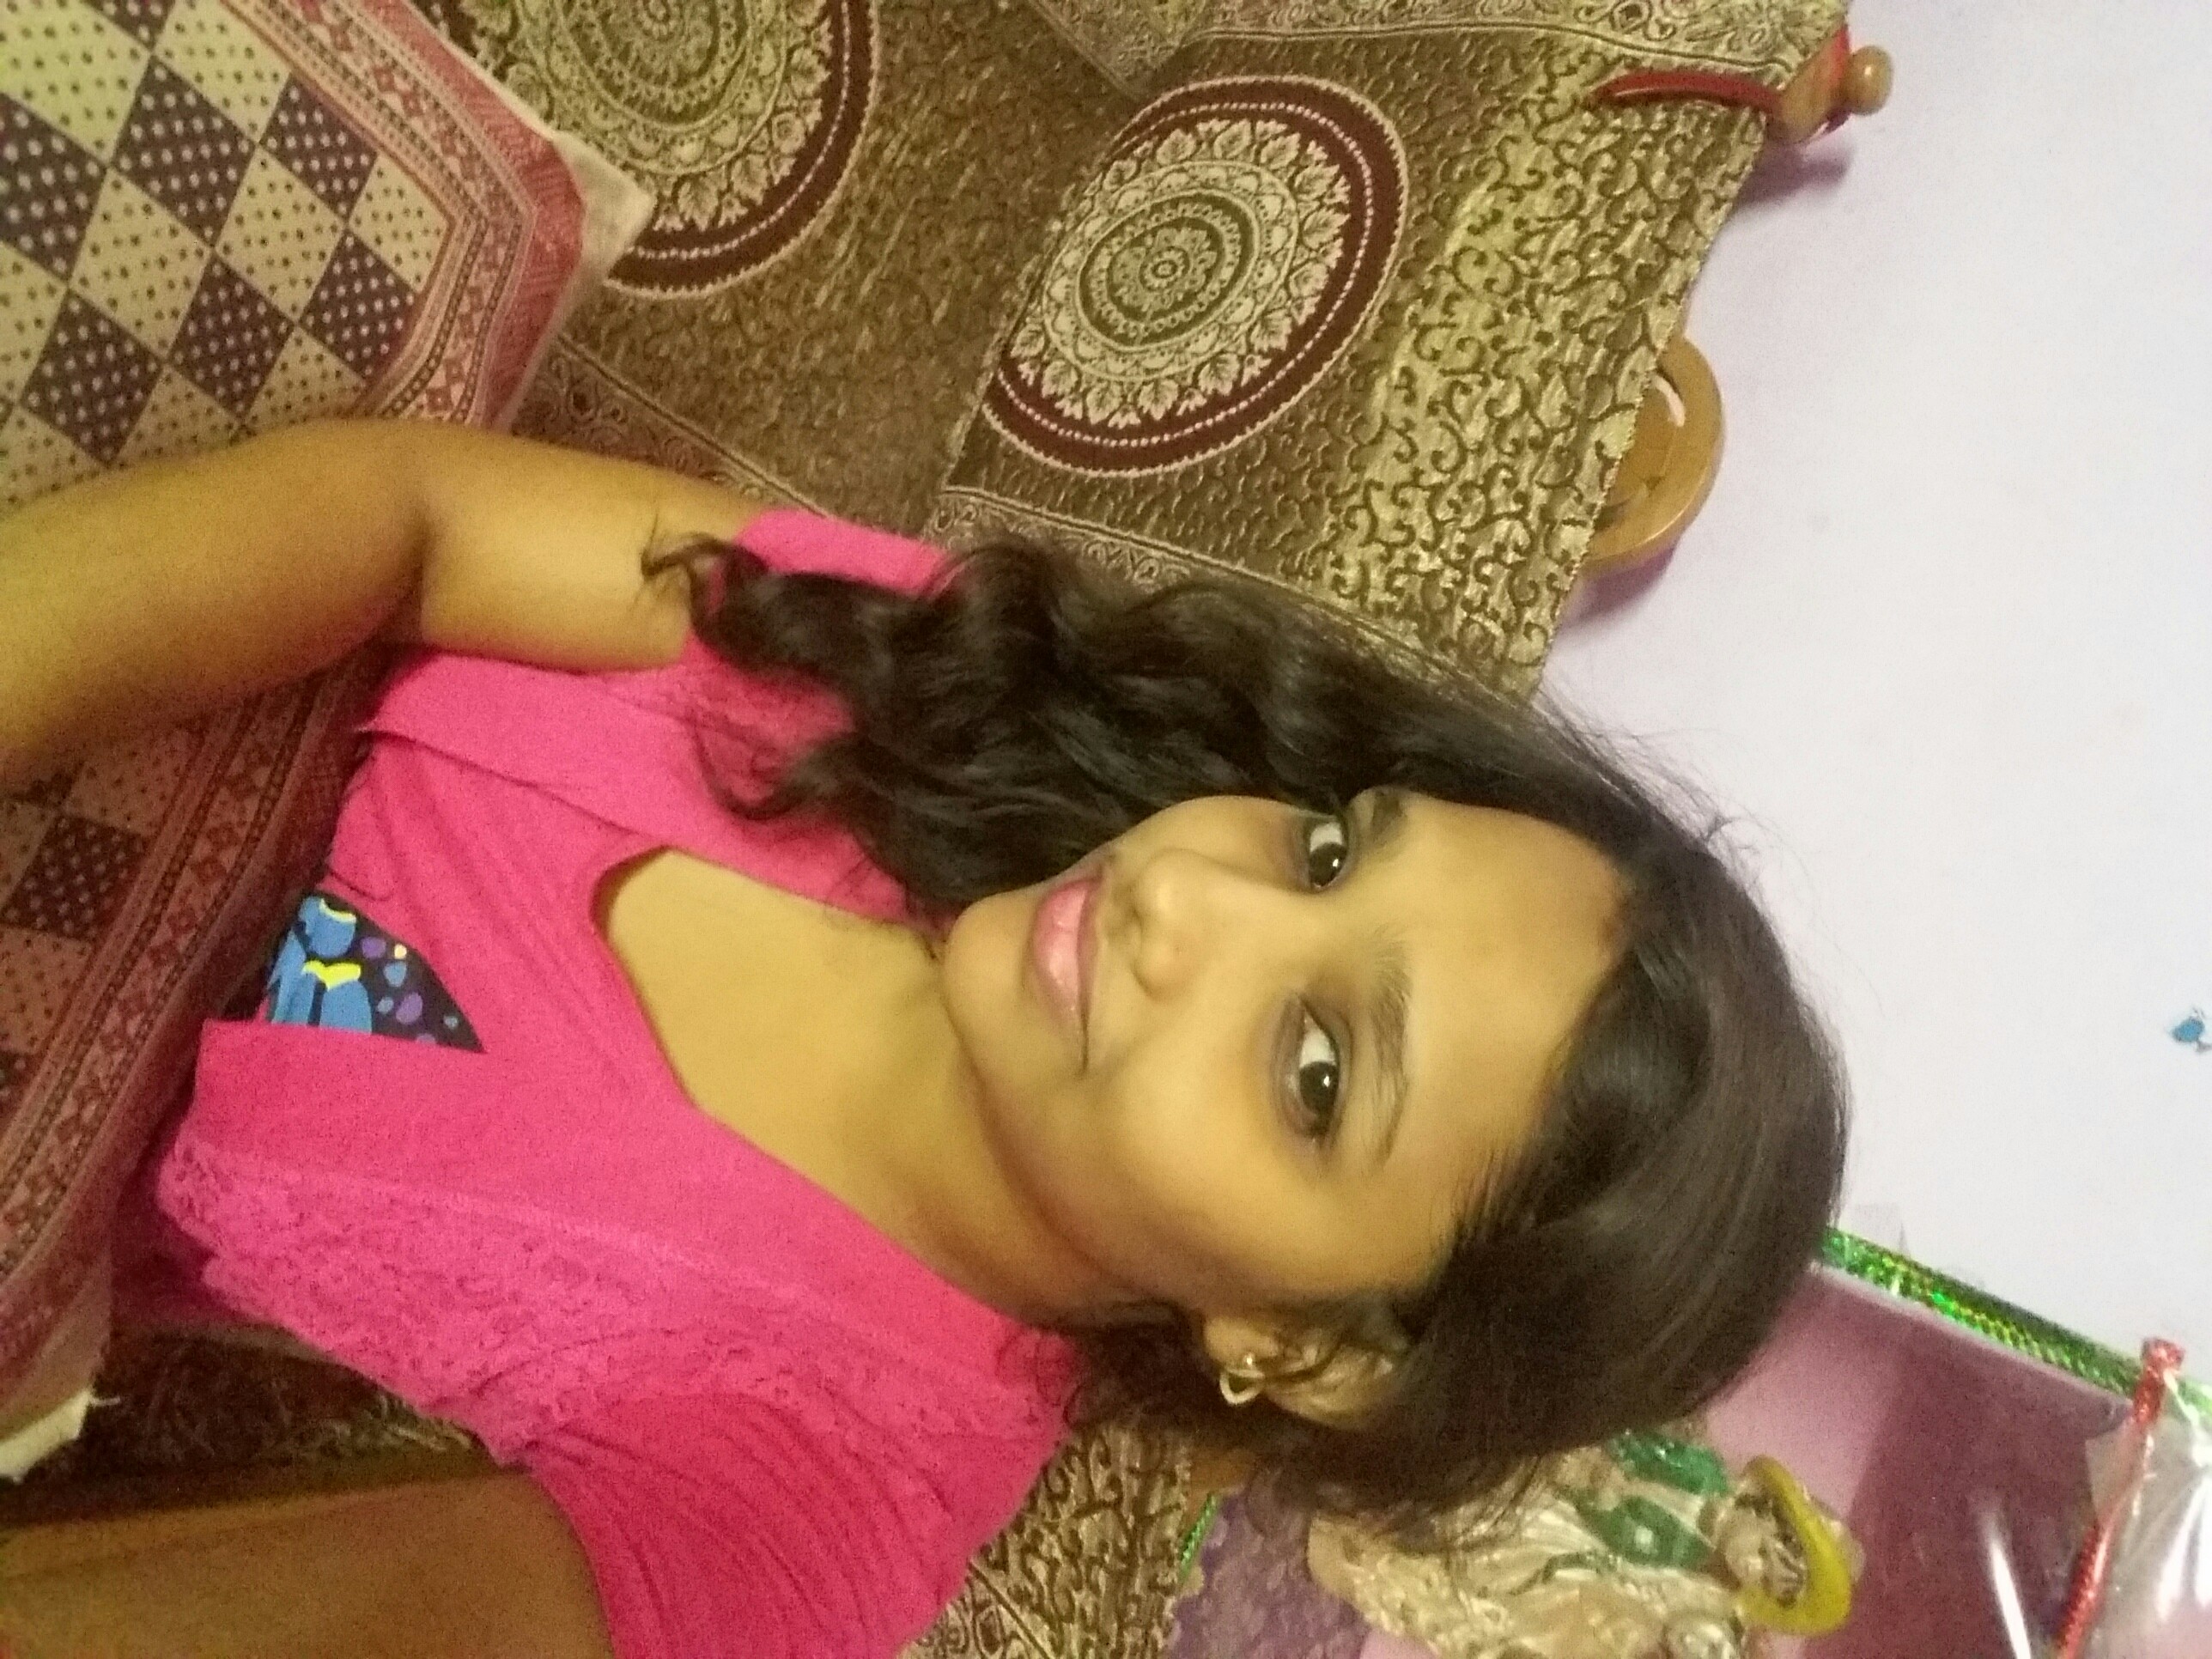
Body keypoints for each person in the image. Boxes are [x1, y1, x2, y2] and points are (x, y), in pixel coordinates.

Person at [0, 420, 1847, 1656]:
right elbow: (415, 515)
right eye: (1329, 850)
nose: (1183, 898)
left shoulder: (793, 1505)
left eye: (1316, 1070)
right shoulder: (958, 691)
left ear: (1307, 1345)